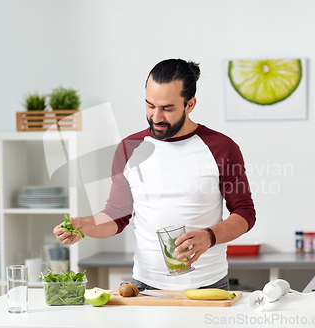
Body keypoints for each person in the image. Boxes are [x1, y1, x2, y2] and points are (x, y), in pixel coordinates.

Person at [53, 58, 256, 291]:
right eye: (150, 106)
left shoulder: (221, 147)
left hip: (207, 285)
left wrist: (209, 236)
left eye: (167, 108)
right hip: (145, 285)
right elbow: (118, 215)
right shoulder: (129, 148)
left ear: (190, 105)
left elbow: (245, 213)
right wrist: (83, 225)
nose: (156, 117)